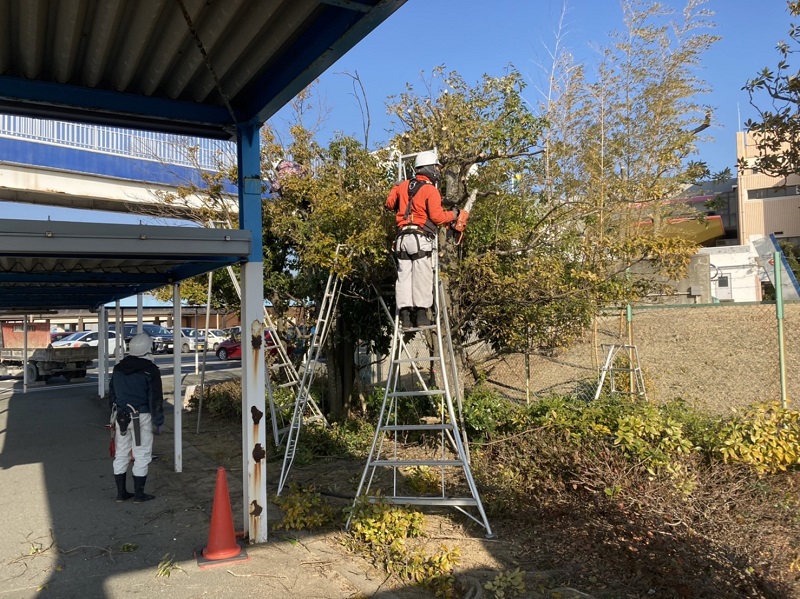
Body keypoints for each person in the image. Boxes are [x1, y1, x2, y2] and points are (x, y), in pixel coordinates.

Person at [385, 150, 458, 328]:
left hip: (402, 239)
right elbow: (438, 217)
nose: (438, 171)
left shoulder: (403, 186)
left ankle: (405, 317)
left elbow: (389, 204)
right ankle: (421, 316)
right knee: (422, 276)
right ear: (430, 168)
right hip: (420, 238)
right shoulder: (430, 190)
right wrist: (453, 215)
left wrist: (395, 187)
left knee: (404, 277)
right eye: (436, 167)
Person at [109, 332, 164, 503]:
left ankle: (121, 493)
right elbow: (155, 398)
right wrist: (159, 421)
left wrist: (113, 415)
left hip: (121, 416)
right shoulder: (151, 370)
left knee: (121, 453)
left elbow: (112, 395)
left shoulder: (118, 368)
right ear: (149, 348)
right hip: (142, 416)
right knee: (142, 454)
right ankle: (139, 495)